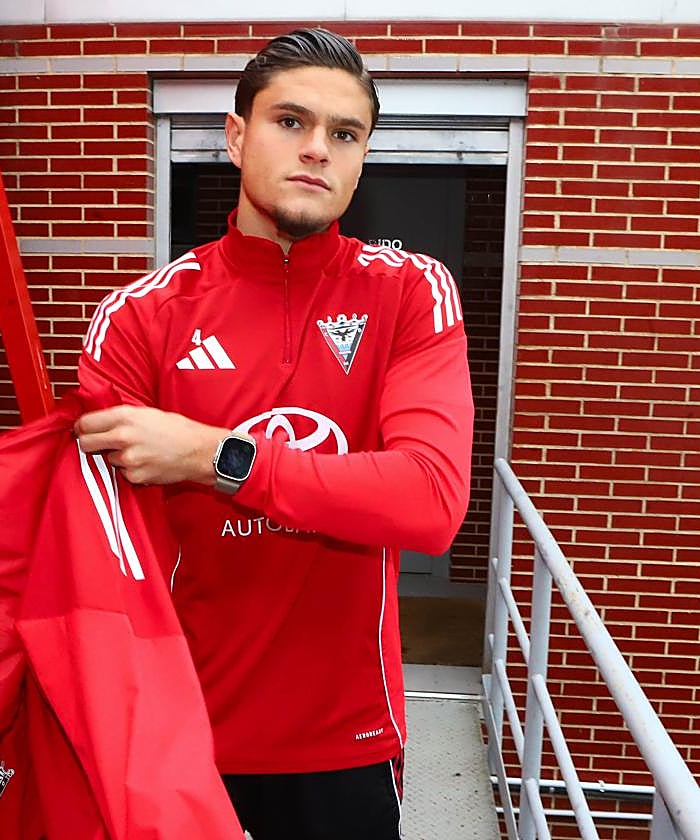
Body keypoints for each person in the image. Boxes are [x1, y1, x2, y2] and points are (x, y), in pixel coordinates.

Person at [75, 27, 473, 840]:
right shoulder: (141, 318)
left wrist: (210, 455)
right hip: (179, 731)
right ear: (235, 136)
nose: (317, 149)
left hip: (346, 739)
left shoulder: (410, 293)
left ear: (362, 161)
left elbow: (430, 502)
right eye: (291, 122)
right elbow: (95, 551)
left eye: (344, 133)